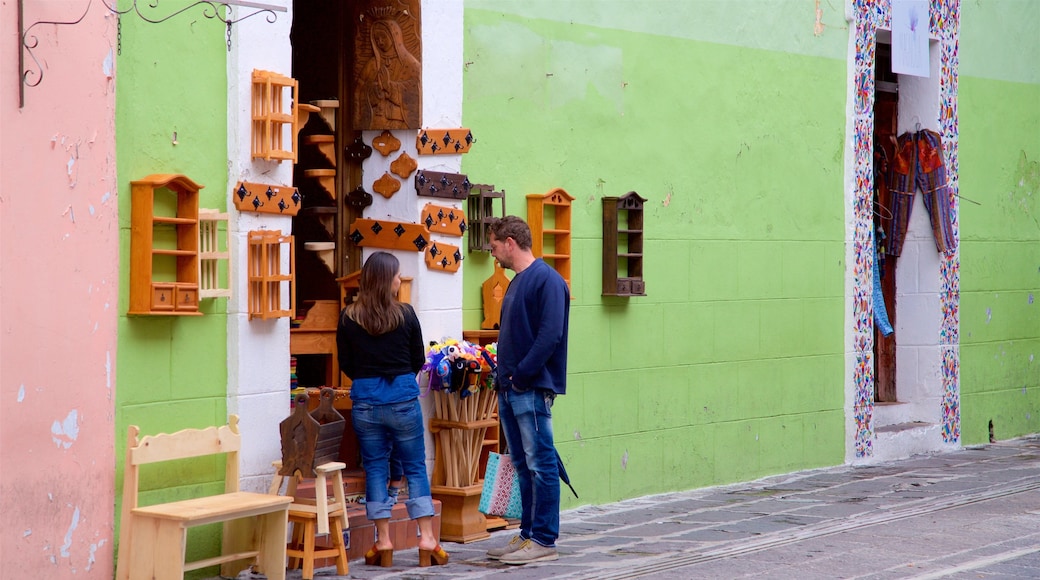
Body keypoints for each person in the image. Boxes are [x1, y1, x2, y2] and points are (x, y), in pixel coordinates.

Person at [336, 251, 448, 567]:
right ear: (387, 280)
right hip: (402, 401)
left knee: (374, 467)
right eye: (397, 275)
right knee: (414, 466)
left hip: (367, 403)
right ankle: (427, 538)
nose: (400, 280)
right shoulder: (406, 314)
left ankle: (382, 541)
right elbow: (417, 359)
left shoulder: (348, 317)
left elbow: (346, 364)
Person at [484, 216, 570, 565]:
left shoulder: (547, 280)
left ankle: (545, 539)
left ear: (509, 242)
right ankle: (528, 534)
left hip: (529, 389)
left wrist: (520, 376)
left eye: (493, 247)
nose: (493, 255)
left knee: (541, 463)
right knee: (523, 464)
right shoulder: (518, 281)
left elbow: (550, 336)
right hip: (511, 388)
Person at [354, 17, 421, 130]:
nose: (380, 41)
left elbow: (415, 88)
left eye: (383, 37)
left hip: (398, 122)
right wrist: (374, 91)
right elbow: (359, 90)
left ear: (393, 36)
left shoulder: (410, 63)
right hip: (375, 121)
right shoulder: (373, 64)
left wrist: (391, 87)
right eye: (377, 38)